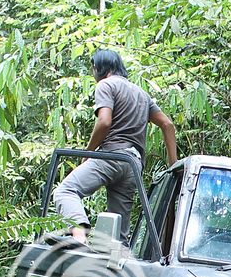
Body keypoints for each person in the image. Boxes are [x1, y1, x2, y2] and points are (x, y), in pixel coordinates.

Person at [53, 49, 177, 244]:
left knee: (65, 192)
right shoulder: (141, 94)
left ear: (101, 68)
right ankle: (118, 257)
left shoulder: (106, 85)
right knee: (118, 235)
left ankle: (78, 235)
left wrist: (88, 152)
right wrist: (173, 167)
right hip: (133, 165)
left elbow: (104, 122)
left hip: (112, 156)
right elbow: (167, 125)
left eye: (93, 69)